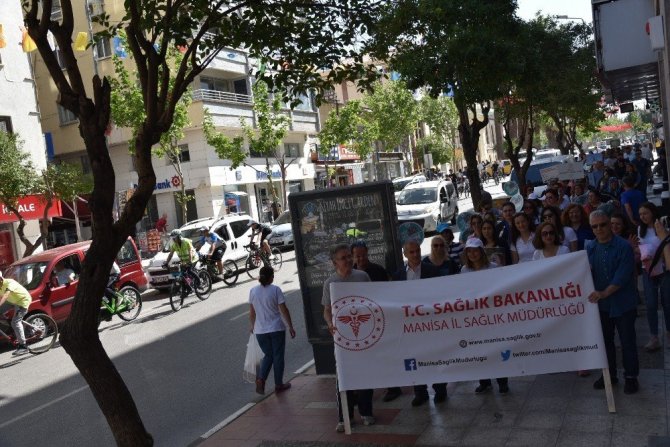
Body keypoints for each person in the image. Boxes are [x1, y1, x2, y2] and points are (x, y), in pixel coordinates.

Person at [322, 244, 374, 432]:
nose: (348, 260)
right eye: (343, 258)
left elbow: (374, 301)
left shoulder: (362, 277)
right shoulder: (330, 283)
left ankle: (366, 412)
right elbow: (326, 310)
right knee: (343, 377)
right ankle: (345, 417)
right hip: (342, 340)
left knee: (365, 374)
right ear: (334, 262)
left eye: (349, 256)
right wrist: (330, 323)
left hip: (364, 336)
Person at [586, 210, 639, 394]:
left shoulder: (624, 246)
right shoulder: (590, 247)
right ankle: (609, 375)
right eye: (594, 226)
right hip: (601, 306)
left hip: (623, 303)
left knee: (627, 342)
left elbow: (622, 276)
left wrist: (603, 293)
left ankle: (631, 377)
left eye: (602, 224)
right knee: (605, 341)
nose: (599, 229)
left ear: (609, 224)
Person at [392, 239, 444, 406]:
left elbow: (440, 295)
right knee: (413, 358)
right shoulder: (398, 275)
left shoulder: (432, 271)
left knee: (434, 356)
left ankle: (440, 390)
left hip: (429, 324)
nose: (415, 255)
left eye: (417, 251)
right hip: (410, 326)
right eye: (411, 252)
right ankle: (420, 393)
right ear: (405, 254)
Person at [460, 238, 509, 393]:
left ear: (481, 251)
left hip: (492, 316)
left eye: (475, 250)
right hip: (474, 318)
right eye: (469, 251)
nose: (472, 254)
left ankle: (502, 382)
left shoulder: (494, 267)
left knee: (496, 348)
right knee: (479, 350)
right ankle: (484, 381)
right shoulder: (464, 270)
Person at [250, 266, 296, 395]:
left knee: (268, 355)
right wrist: (290, 326)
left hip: (260, 330)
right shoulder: (275, 290)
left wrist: (252, 326)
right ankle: (279, 384)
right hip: (276, 328)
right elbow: (284, 309)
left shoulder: (253, 291)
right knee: (278, 356)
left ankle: (261, 379)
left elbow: (252, 312)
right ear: (271, 277)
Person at [635, 202, 665, 352]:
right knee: (651, 304)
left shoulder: (662, 226)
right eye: (640, 214)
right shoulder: (640, 229)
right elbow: (640, 248)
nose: (643, 216)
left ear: (653, 212)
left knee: (667, 302)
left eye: (645, 213)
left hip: (664, 269)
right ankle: (654, 337)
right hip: (648, 269)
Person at [0, 271, 32, 355]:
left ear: (1, 278)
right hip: (11, 301)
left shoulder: (9, 282)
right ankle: (13, 327)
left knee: (15, 322)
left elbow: (6, 295)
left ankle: (23, 346)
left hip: (22, 301)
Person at [164, 229, 199, 298]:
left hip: (193, 258)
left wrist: (190, 261)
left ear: (179, 237)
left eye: (175, 238)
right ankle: (187, 289)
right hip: (184, 261)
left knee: (189, 271)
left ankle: (198, 282)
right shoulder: (174, 245)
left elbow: (190, 251)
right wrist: (166, 262)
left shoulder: (186, 241)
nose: (173, 239)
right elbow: (170, 254)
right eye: (172, 238)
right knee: (182, 275)